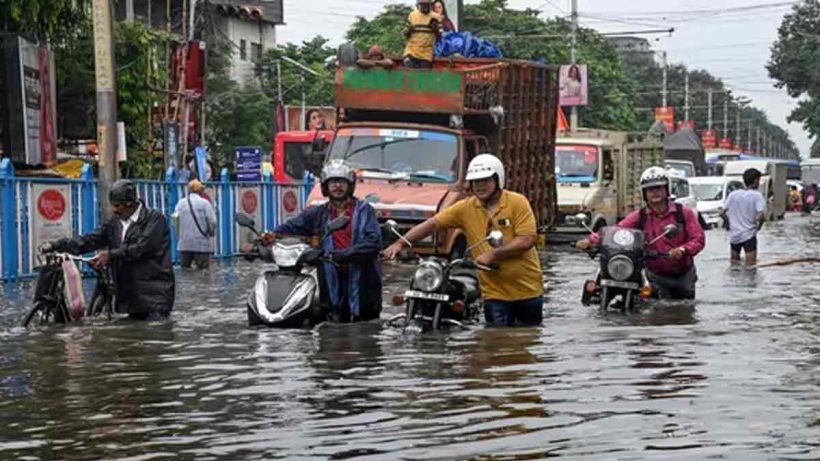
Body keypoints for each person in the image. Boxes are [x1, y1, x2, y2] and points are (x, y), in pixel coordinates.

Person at [383, 154, 544, 327]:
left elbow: (527, 239)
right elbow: (433, 224)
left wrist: (492, 255)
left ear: (498, 179)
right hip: (494, 293)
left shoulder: (517, 202)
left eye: (485, 180)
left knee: (528, 339)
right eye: (476, 182)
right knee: (497, 343)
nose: (480, 186)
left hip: (527, 289)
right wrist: (401, 242)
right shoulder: (466, 208)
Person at [263, 160, 382, 323]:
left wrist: (341, 255)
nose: (337, 186)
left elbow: (373, 243)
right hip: (331, 278)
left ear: (350, 185)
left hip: (363, 281)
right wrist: (270, 236)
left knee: (363, 327)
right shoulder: (319, 213)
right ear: (326, 187)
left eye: (342, 182)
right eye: (333, 182)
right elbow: (293, 226)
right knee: (331, 324)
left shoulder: (365, 211)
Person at [43, 179, 175, 319]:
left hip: (154, 296)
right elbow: (90, 240)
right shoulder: (115, 222)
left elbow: (141, 248)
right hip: (129, 296)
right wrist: (58, 245)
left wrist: (110, 255)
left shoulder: (155, 220)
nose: (114, 209)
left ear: (129, 204)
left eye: (117, 206)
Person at [576, 166, 705, 299]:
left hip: (683, 275)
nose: (654, 193)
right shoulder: (640, 216)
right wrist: (590, 240)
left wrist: (683, 250)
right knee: (650, 310)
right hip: (654, 275)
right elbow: (616, 230)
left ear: (667, 189)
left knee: (685, 313)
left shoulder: (683, 213)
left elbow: (698, 239)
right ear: (644, 193)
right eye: (650, 189)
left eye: (658, 188)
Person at [722, 168, 766, 267]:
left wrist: (728, 223)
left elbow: (721, 212)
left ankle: (734, 282)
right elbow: (761, 216)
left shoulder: (733, 195)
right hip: (749, 235)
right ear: (755, 180)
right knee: (751, 267)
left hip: (735, 236)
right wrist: (759, 226)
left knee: (734, 266)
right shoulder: (757, 195)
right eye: (758, 180)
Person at [174, 179, 216, 269]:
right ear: (200, 190)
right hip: (201, 244)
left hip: (184, 244)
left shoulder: (180, 204)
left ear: (189, 190)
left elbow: (175, 219)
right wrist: (210, 232)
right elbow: (212, 221)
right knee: (203, 273)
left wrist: (180, 235)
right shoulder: (205, 203)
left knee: (185, 272)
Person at [403, 0, 442, 69]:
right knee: (410, 71)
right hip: (411, 51)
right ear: (419, 5)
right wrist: (409, 30)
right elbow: (406, 34)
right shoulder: (412, 15)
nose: (426, 7)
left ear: (430, 5)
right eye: (423, 5)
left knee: (423, 75)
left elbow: (440, 37)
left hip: (426, 53)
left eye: (427, 5)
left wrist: (435, 30)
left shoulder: (436, 17)